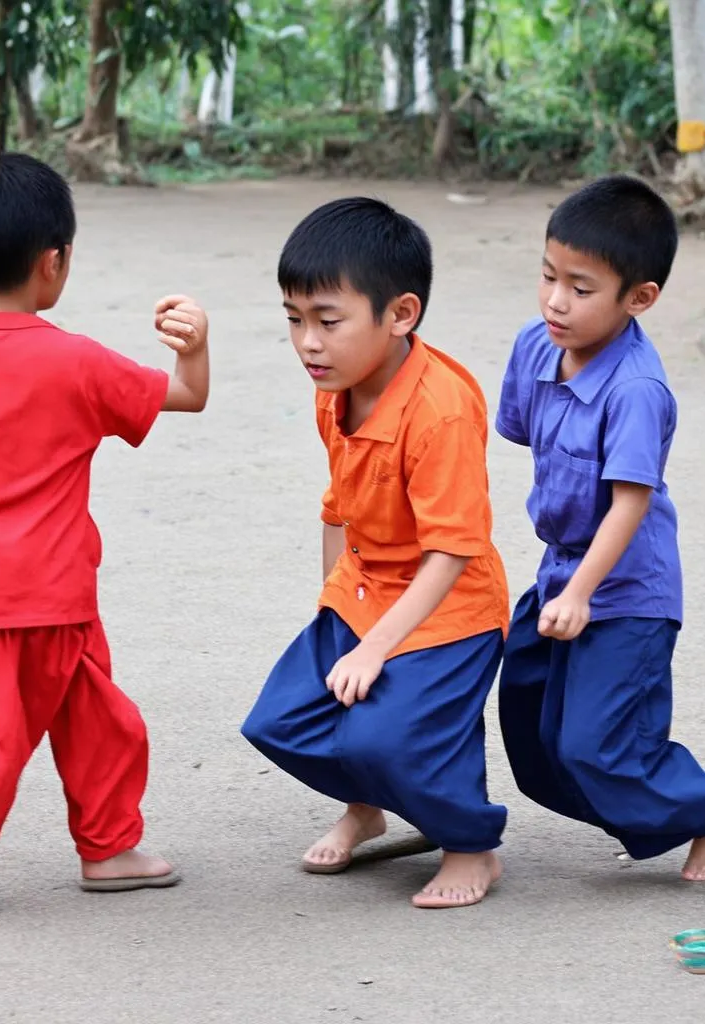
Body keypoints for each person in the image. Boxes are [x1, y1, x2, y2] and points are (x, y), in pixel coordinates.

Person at [0, 153, 210, 916]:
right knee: (100, 726)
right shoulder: (77, 360)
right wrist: (193, 347)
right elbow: (188, 395)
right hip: (60, 592)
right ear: (53, 263)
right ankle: (93, 846)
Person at [242, 197, 510, 909]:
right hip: (365, 591)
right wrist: (333, 605)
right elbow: (341, 505)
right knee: (280, 720)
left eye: (328, 321)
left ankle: (471, 844)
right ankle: (366, 809)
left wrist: (374, 650)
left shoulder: (441, 410)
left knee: (383, 741)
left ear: (401, 314)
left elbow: (453, 552)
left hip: (448, 609)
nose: (308, 342)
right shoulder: (333, 392)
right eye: (294, 319)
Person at [495, 174, 705, 881]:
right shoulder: (535, 344)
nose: (555, 300)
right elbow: (524, 437)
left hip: (626, 590)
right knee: (532, 730)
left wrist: (580, 593)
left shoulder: (637, 389)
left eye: (581, 288)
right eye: (549, 276)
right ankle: (648, 808)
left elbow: (630, 502)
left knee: (593, 744)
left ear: (638, 298)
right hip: (562, 570)